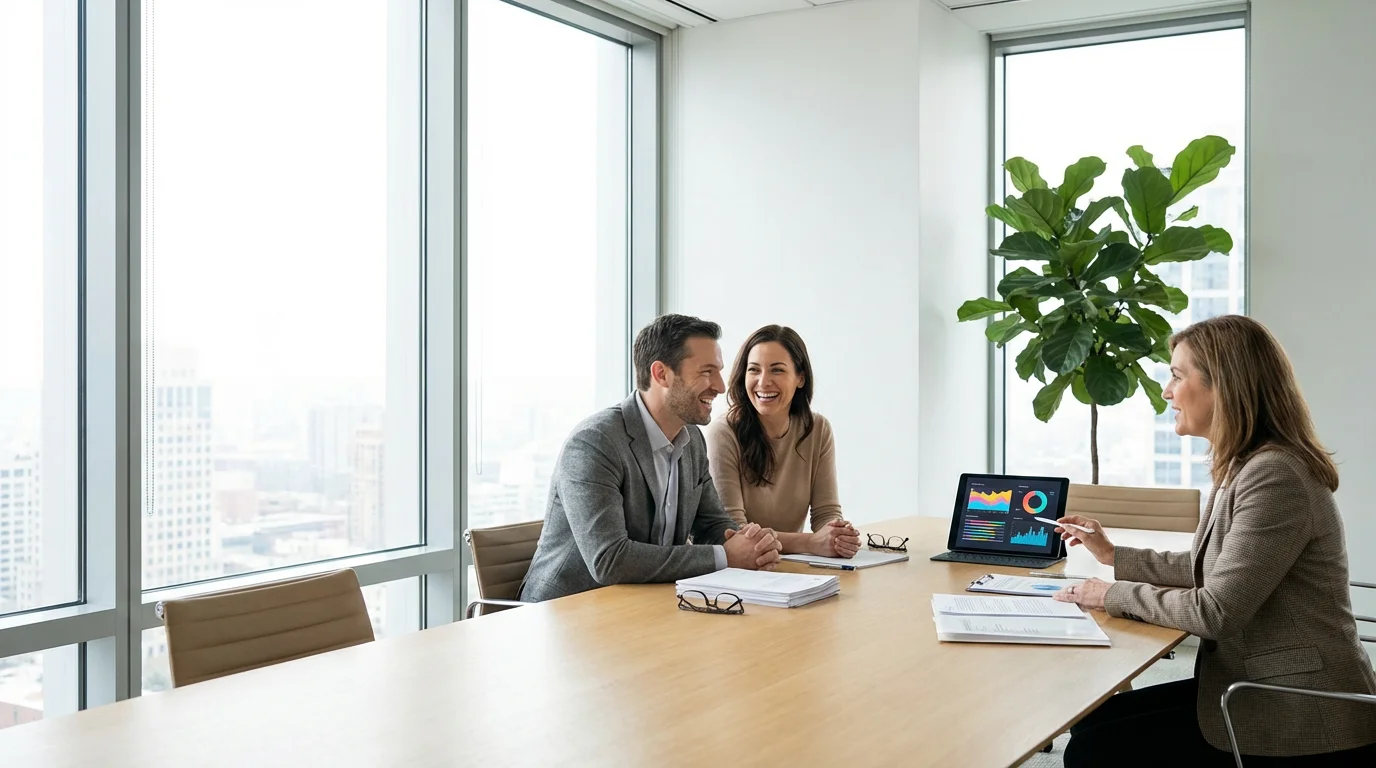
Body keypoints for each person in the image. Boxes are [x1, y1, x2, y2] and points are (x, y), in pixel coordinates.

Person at [1054, 315, 1376, 766]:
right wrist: (1113, 555)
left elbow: (1216, 610)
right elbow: (1212, 567)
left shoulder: (1274, 475)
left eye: (1177, 375)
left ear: (1222, 386)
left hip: (1300, 707)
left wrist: (1110, 594)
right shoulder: (1246, 464)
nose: (1166, 391)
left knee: (1095, 749)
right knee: (1094, 721)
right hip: (1253, 680)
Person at [520, 314, 783, 603]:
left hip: (641, 607)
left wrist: (749, 544)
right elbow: (610, 559)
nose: (720, 386)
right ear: (661, 374)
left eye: (718, 371)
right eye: (707, 372)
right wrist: (724, 555)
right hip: (564, 615)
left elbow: (711, 524)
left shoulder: (691, 439)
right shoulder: (595, 442)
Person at [704, 325, 860, 558]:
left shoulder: (817, 429)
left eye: (777, 370)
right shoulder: (723, 432)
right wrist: (810, 543)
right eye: (754, 370)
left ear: (800, 378)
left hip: (789, 568)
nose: (763, 382)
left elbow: (826, 512)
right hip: (739, 571)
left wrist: (837, 535)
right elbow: (734, 531)